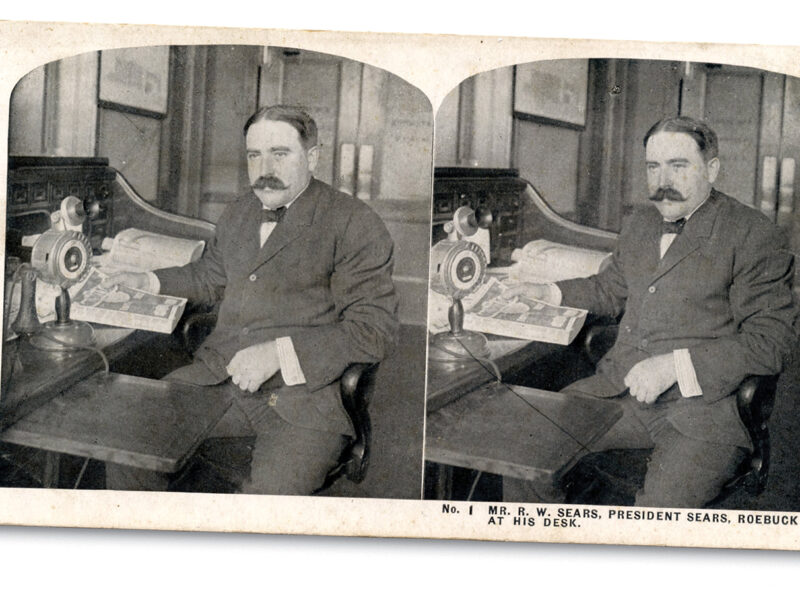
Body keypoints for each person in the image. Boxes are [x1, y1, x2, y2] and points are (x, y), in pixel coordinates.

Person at [103, 105, 399, 495]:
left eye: (280, 153)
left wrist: (279, 354)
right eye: (254, 155)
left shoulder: (354, 222)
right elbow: (210, 277)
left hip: (302, 403)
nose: (264, 168)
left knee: (265, 510)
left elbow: (374, 330)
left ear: (312, 157)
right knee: (127, 447)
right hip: (214, 379)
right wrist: (148, 280)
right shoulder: (240, 210)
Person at [503, 116, 797, 508]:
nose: (663, 181)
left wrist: (674, 367)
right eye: (653, 167)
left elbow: (772, 342)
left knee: (656, 519)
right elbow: (611, 289)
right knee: (524, 450)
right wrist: (547, 291)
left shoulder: (752, 233)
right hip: (617, 390)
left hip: (702, 412)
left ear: (712, 169)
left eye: (678, 166)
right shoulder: (641, 222)